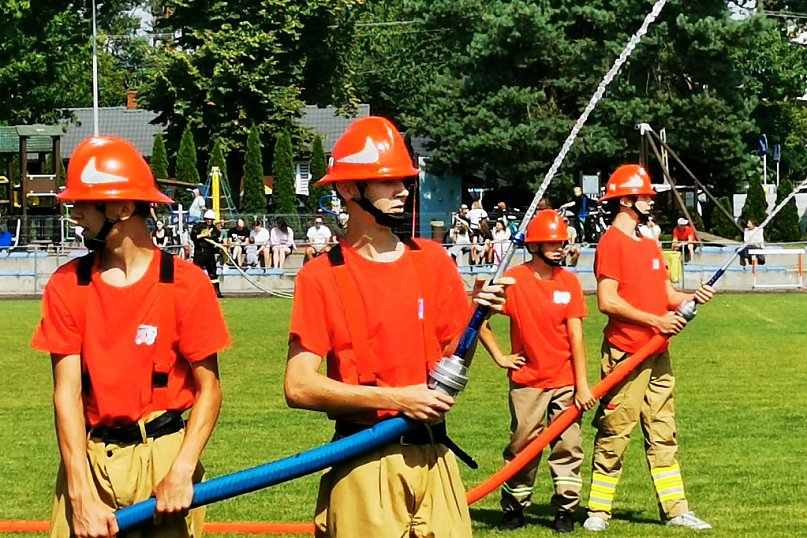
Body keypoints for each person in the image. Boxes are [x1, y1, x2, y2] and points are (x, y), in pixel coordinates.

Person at [284, 116, 510, 538]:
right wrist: (398, 398)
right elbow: (298, 386)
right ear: (349, 189)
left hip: (435, 454)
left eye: (404, 180)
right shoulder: (320, 275)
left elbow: (452, 369)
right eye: (388, 180)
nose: (403, 190)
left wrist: (478, 318)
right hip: (363, 459)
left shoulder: (434, 260)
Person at [31, 135, 230, 538]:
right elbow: (66, 394)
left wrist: (182, 469)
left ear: (123, 208)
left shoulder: (187, 284)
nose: (75, 213)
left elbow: (210, 389)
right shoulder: (66, 285)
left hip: (165, 456)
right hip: (90, 461)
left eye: (85, 203)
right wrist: (79, 492)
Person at [581, 164, 715, 532]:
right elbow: (606, 301)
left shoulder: (649, 243)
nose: (650, 202)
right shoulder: (611, 243)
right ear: (625, 200)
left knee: (663, 431)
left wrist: (690, 296)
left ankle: (675, 510)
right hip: (627, 353)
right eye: (643, 197)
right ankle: (598, 511)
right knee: (615, 431)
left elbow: (665, 294)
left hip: (657, 353)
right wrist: (655, 322)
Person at [479, 210, 596, 533]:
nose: (559, 247)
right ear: (534, 246)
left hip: (565, 382)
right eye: (551, 243)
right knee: (522, 445)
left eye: (561, 242)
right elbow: (479, 319)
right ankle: (515, 508)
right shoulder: (514, 280)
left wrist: (582, 386)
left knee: (568, 446)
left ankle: (565, 510)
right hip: (527, 382)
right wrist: (501, 357)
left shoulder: (569, 282)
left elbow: (576, 336)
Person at [191, 209, 223, 298]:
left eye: (211, 220)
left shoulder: (215, 230)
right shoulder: (197, 227)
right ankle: (194, 292)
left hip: (210, 254)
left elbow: (216, 241)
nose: (209, 221)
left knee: (213, 273)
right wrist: (204, 235)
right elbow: (193, 237)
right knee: (196, 273)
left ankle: (216, 292)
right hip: (199, 253)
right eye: (208, 219)